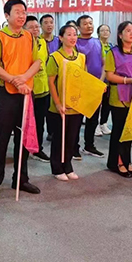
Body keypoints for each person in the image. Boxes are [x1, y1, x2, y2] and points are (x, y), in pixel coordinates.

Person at [0, 0, 41, 203]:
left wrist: (24, 78)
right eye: (17, 12)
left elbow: (37, 62)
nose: (22, 16)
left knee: (24, 138)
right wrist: (14, 80)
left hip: (26, 92)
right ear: (7, 15)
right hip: (6, 93)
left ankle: (21, 179)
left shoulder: (29, 36)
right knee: (0, 139)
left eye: (24, 12)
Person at [105, 21, 132, 178]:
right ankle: (116, 162)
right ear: (120, 34)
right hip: (119, 96)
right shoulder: (113, 53)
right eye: (128, 31)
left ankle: (126, 160)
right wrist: (128, 80)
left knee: (130, 130)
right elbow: (110, 76)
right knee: (119, 130)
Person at [46, 24, 85, 180]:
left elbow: (84, 79)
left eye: (75, 34)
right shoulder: (55, 57)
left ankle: (68, 166)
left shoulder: (81, 57)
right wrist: (57, 103)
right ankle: (57, 168)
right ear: (61, 38)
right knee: (59, 138)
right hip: (60, 106)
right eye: (69, 34)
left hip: (76, 105)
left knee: (72, 138)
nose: (72, 37)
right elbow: (51, 82)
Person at [75, 15, 105, 159]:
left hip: (96, 86)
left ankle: (89, 145)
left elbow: (104, 63)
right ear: (78, 27)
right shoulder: (75, 42)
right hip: (80, 86)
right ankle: (74, 147)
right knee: (77, 119)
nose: (89, 26)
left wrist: (101, 82)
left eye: (91, 23)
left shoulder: (98, 42)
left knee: (93, 118)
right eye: (85, 24)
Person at [23, 15, 51, 163]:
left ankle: (37, 148)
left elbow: (45, 62)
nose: (35, 30)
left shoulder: (42, 42)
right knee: (25, 122)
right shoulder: (22, 43)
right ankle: (23, 150)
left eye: (36, 27)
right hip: (28, 89)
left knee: (40, 122)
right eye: (31, 27)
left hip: (43, 87)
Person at [97, 24, 113, 137]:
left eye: (107, 30)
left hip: (110, 79)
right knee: (97, 103)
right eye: (102, 30)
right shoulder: (96, 45)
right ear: (98, 33)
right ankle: (96, 124)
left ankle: (103, 123)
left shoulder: (112, 46)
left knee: (107, 103)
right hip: (99, 77)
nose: (105, 32)